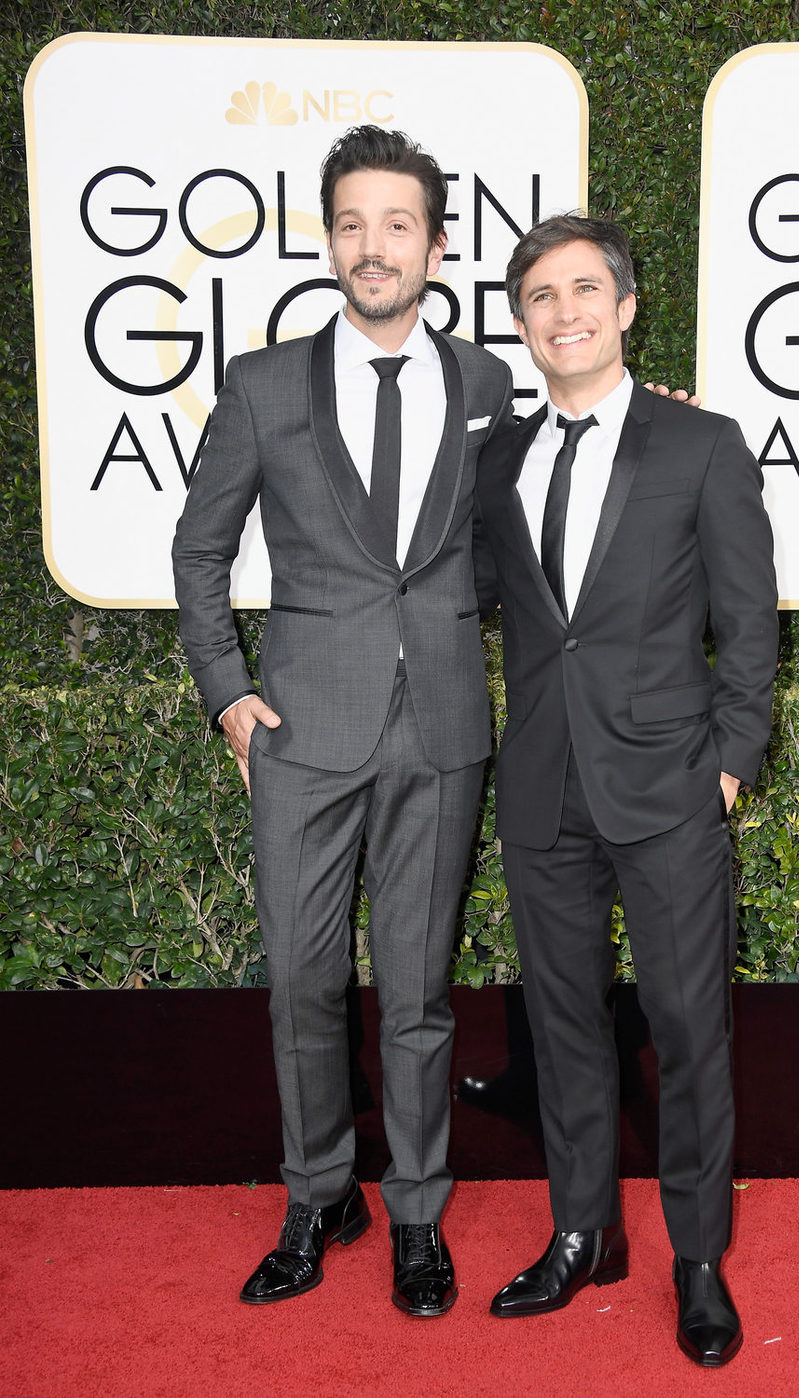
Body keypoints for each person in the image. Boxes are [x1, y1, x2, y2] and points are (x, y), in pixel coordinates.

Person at [172, 125, 514, 1317]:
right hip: (303, 728)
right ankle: (319, 1194)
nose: (377, 248)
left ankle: (417, 1210)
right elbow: (199, 549)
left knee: (419, 991)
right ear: (330, 239)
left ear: (435, 244)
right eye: (354, 223)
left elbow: (497, 541)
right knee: (303, 983)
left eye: (400, 224)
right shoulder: (264, 384)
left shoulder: (484, 381)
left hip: (443, 730)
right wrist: (228, 694)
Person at [474, 214, 779, 1366]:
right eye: (542, 297)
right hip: (544, 785)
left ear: (628, 307)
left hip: (668, 787)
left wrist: (731, 761)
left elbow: (751, 624)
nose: (565, 313)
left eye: (585, 291)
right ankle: (583, 1231)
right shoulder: (496, 457)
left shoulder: (701, 445)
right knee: (564, 1028)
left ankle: (698, 1258)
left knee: (694, 1028)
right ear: (521, 322)